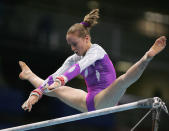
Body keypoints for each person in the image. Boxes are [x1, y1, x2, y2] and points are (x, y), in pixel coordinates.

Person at [19, 9, 167, 112]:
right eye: (70, 45)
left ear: (87, 38)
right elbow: (53, 77)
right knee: (54, 90)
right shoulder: (74, 58)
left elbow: (80, 66)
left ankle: (147, 56)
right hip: (89, 102)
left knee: (122, 81)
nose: (72, 48)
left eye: (75, 44)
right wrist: (36, 94)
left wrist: (61, 80)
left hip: (105, 99)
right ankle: (29, 74)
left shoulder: (97, 51)